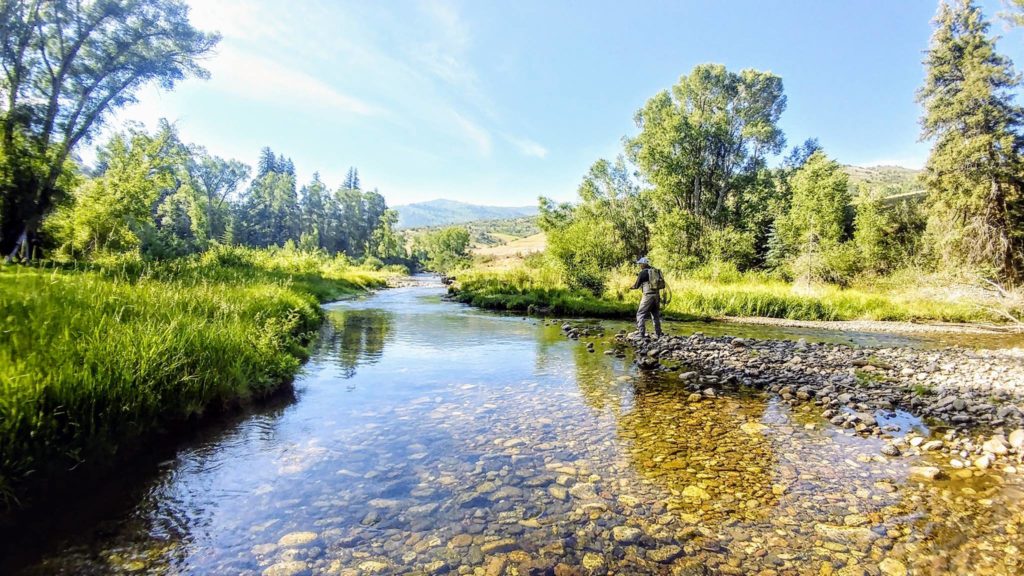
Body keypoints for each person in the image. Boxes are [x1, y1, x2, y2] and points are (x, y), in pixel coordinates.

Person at [631, 256, 664, 338]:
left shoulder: (643, 273)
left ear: (643, 264)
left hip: (648, 296)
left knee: (640, 314)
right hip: (657, 295)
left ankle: (641, 333)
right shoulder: (655, 271)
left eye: (640, 264)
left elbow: (636, 285)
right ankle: (658, 333)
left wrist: (631, 287)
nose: (639, 265)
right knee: (655, 314)